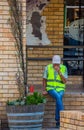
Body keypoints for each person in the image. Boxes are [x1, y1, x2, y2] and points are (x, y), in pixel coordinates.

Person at [43, 55, 68, 128]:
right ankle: (62, 120)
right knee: (58, 96)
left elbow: (65, 81)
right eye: (55, 64)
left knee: (59, 97)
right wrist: (44, 89)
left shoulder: (64, 68)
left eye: (57, 64)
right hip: (51, 88)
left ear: (60, 63)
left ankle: (58, 121)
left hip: (60, 88)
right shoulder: (47, 67)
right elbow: (44, 79)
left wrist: (59, 72)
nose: (56, 65)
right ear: (52, 62)